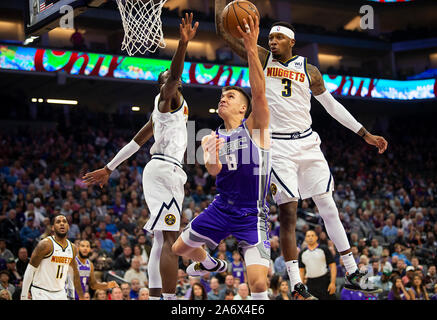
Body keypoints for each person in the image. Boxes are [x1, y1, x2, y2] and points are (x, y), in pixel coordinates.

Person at [215, 0, 387, 298]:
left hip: (308, 142)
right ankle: (296, 282)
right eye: (270, 38)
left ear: (291, 41)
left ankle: (352, 270)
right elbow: (224, 33)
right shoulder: (262, 58)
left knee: (328, 205)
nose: (272, 41)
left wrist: (364, 133)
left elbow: (332, 106)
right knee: (288, 212)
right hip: (278, 146)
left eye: (278, 38)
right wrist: (221, 6)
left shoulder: (310, 70)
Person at [82, 13, 199, 301]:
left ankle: (158, 295)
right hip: (165, 170)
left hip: (163, 170)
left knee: (161, 237)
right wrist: (182, 45)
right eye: (167, 82)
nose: (171, 83)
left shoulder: (165, 116)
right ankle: (170, 299)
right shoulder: (167, 99)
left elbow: (136, 142)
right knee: (171, 238)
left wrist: (109, 167)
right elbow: (172, 77)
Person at [172, 15, 271, 300]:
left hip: (252, 213)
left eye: (231, 96)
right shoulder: (212, 135)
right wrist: (210, 155)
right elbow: (214, 171)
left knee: (259, 285)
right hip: (221, 207)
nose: (223, 98)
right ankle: (210, 263)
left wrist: (251, 49)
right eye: (222, 96)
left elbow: (260, 95)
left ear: (244, 109)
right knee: (179, 249)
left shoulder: (255, 128)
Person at [20, 214, 84, 300]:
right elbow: (30, 270)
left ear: (68, 226)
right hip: (41, 292)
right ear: (53, 228)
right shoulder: (45, 244)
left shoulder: (72, 248)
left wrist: (72, 294)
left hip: (60, 292)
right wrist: (23, 296)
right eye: (58, 222)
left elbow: (72, 273)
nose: (62, 224)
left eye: (64, 222)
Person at [298, 229, 337, 300]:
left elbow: (333, 266)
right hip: (310, 283)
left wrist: (333, 282)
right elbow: (301, 271)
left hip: (325, 281)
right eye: (308, 236)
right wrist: (302, 287)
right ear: (305, 238)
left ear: (316, 237)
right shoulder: (302, 253)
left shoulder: (324, 249)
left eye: (312, 235)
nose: (310, 238)